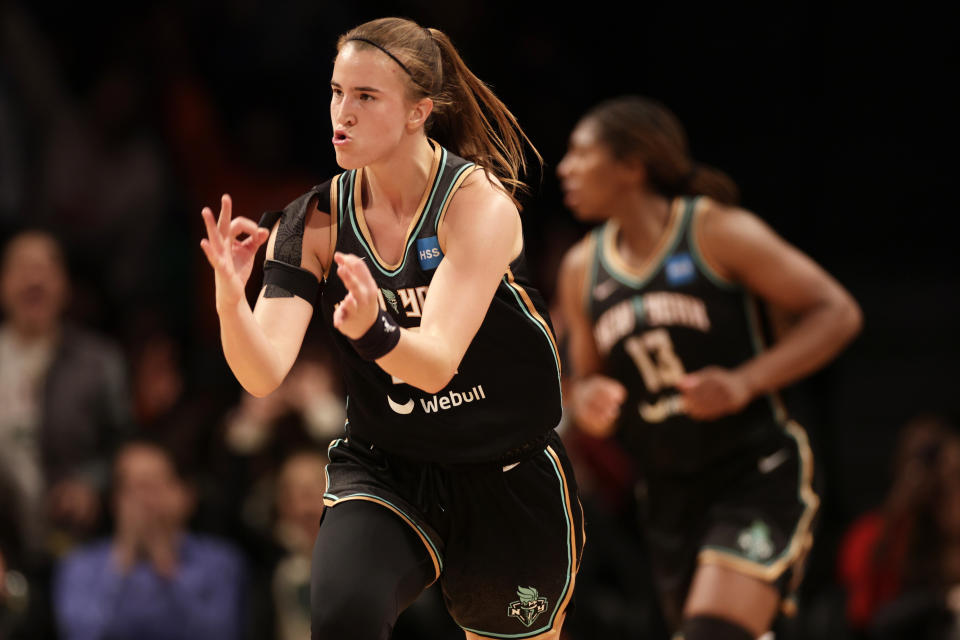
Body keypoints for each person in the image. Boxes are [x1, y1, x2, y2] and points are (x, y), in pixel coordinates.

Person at [199, 17, 583, 640]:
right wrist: (228, 296)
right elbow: (262, 372)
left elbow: (434, 365)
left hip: (505, 468)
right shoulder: (313, 220)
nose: (340, 113)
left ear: (417, 112)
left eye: (365, 96)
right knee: (344, 616)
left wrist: (375, 331)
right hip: (389, 463)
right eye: (335, 92)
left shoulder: (475, 203)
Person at [555, 96, 863, 640]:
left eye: (581, 153)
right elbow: (585, 381)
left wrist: (746, 381)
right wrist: (589, 402)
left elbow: (836, 312)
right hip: (668, 492)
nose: (565, 168)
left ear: (632, 166)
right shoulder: (582, 268)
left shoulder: (715, 232)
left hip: (754, 471)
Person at [53, 440, 247, 640]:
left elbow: (219, 633)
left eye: (154, 486)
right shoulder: (79, 565)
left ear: (183, 494)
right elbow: (81, 634)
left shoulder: (221, 562)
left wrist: (167, 565)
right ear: (115, 501)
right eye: (133, 488)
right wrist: (122, 562)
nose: (145, 500)